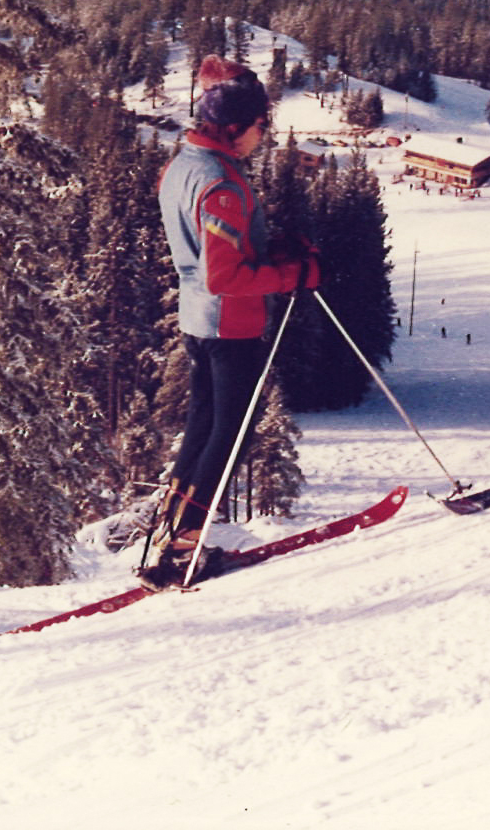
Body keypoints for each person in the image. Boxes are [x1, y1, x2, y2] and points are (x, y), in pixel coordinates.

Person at [140, 55, 318, 589]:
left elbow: (213, 248)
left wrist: (272, 248)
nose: (264, 136)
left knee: (204, 427)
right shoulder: (221, 183)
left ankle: (171, 532)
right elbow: (227, 275)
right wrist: (291, 274)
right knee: (231, 434)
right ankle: (186, 543)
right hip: (229, 323)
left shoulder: (184, 164)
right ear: (237, 127)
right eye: (262, 126)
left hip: (199, 322)